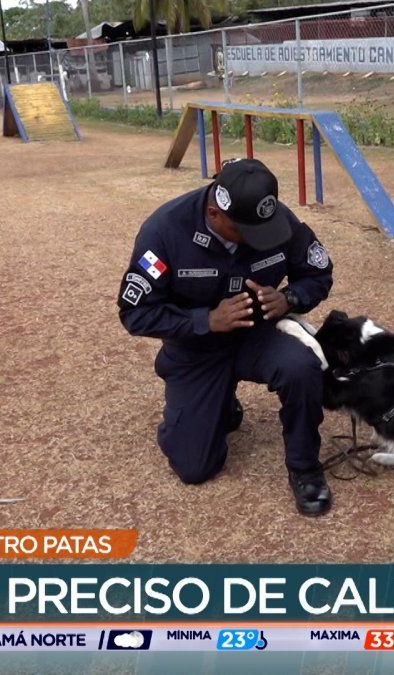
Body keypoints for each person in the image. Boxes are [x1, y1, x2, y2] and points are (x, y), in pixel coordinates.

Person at [117, 159, 335, 516]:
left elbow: (318, 271)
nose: (258, 238)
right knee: (195, 468)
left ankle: (304, 467)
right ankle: (220, 403)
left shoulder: (271, 218)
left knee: (301, 366)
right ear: (214, 213)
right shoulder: (165, 232)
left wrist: (289, 299)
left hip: (257, 335)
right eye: (246, 230)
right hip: (198, 348)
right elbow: (135, 311)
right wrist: (205, 320)